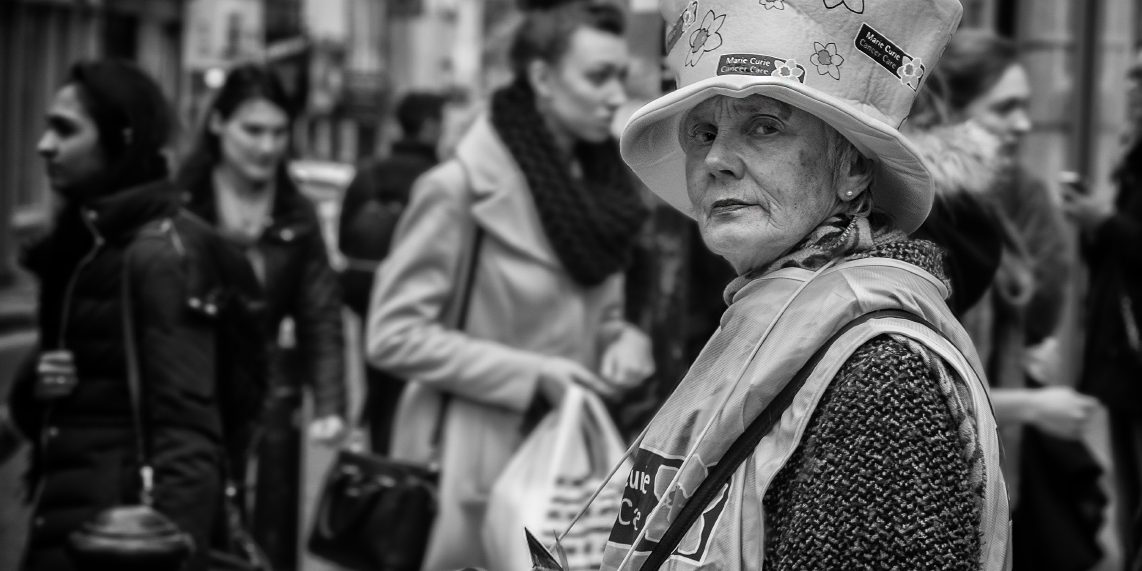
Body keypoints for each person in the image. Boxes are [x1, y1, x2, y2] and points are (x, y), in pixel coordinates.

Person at [594, 1, 1010, 569]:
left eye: (765, 127)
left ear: (854, 169)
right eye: (704, 131)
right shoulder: (767, 313)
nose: (716, 158)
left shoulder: (881, 373)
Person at [365, 1, 654, 569]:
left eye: (621, 76)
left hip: (566, 469)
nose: (616, 95)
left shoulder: (605, 198)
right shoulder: (458, 189)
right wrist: (532, 374)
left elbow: (606, 320)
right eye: (598, 76)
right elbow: (391, 334)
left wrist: (626, 342)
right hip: (470, 465)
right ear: (542, 78)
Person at [10, 59, 251, 571]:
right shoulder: (86, 247)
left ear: (121, 139)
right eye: (48, 125)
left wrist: (165, 560)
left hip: (122, 548)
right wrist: (35, 383)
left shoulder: (158, 255)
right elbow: (66, 416)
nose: (44, 144)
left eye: (66, 129)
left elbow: (188, 440)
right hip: (76, 531)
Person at [911, 29, 1104, 570]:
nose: (1023, 124)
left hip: (992, 468)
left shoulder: (988, 196)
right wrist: (1034, 406)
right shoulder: (930, 216)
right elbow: (921, 381)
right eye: (1005, 108)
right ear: (949, 111)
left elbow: (1041, 301)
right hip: (943, 481)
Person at [177, 64, 347, 571]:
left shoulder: (297, 212)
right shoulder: (183, 204)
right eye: (252, 130)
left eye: (277, 132)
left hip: (265, 391)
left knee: (267, 527)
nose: (266, 146)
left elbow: (320, 308)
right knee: (195, 523)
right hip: (188, 387)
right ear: (217, 125)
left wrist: (330, 402)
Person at [1066, 44, 1142, 571]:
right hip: (1123, 356)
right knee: (1130, 491)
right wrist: (1097, 225)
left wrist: (1104, 222)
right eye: (1131, 75)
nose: (1133, 88)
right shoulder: (1132, 154)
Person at [338, 91, 447, 454]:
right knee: (419, 390)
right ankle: (409, 465)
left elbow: (343, 239)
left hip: (370, 296)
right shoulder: (443, 179)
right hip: (430, 304)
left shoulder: (368, 172)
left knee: (379, 384)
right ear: (431, 126)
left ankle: (381, 458)